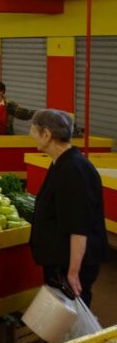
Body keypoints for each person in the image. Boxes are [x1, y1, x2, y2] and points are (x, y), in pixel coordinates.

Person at [29, 109, 108, 308]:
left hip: (69, 265)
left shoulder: (73, 170)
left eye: (34, 130)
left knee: (69, 319)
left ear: (46, 135)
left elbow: (78, 228)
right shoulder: (61, 163)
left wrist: (73, 272)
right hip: (59, 261)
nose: (31, 135)